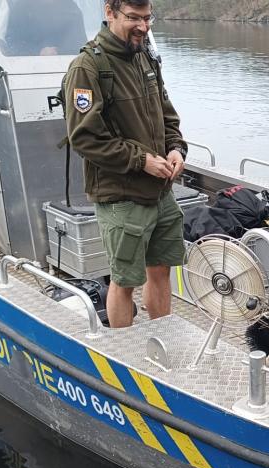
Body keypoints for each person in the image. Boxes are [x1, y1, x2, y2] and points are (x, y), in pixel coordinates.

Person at [63, 0, 187, 328]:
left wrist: (175, 149)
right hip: (121, 196)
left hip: (159, 192)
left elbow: (167, 115)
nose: (143, 27)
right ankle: (125, 357)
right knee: (125, 281)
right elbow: (84, 138)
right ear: (110, 12)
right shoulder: (87, 67)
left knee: (160, 270)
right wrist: (141, 161)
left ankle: (165, 338)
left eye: (147, 18)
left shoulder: (146, 57)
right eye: (133, 18)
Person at [4, 0, 87, 56]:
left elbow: (80, 47)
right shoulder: (21, 7)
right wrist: (38, 52)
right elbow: (12, 44)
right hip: (26, 69)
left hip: (65, 69)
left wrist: (58, 51)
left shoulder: (71, 9)